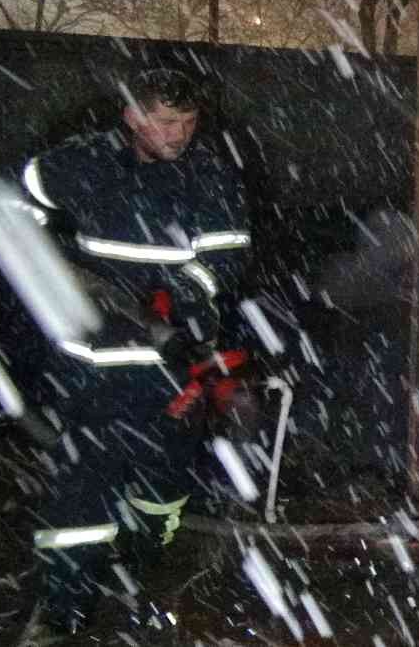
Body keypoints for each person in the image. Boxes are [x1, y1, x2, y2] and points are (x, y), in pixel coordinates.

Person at [14, 67, 252, 638]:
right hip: (88, 373)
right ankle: (60, 612)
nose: (178, 134)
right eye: (165, 121)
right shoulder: (82, 164)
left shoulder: (211, 178)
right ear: (133, 115)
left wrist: (173, 305)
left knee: (160, 496)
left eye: (188, 122)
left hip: (167, 378)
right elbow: (21, 202)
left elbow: (222, 262)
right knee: (79, 497)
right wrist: (46, 259)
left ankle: (143, 586)